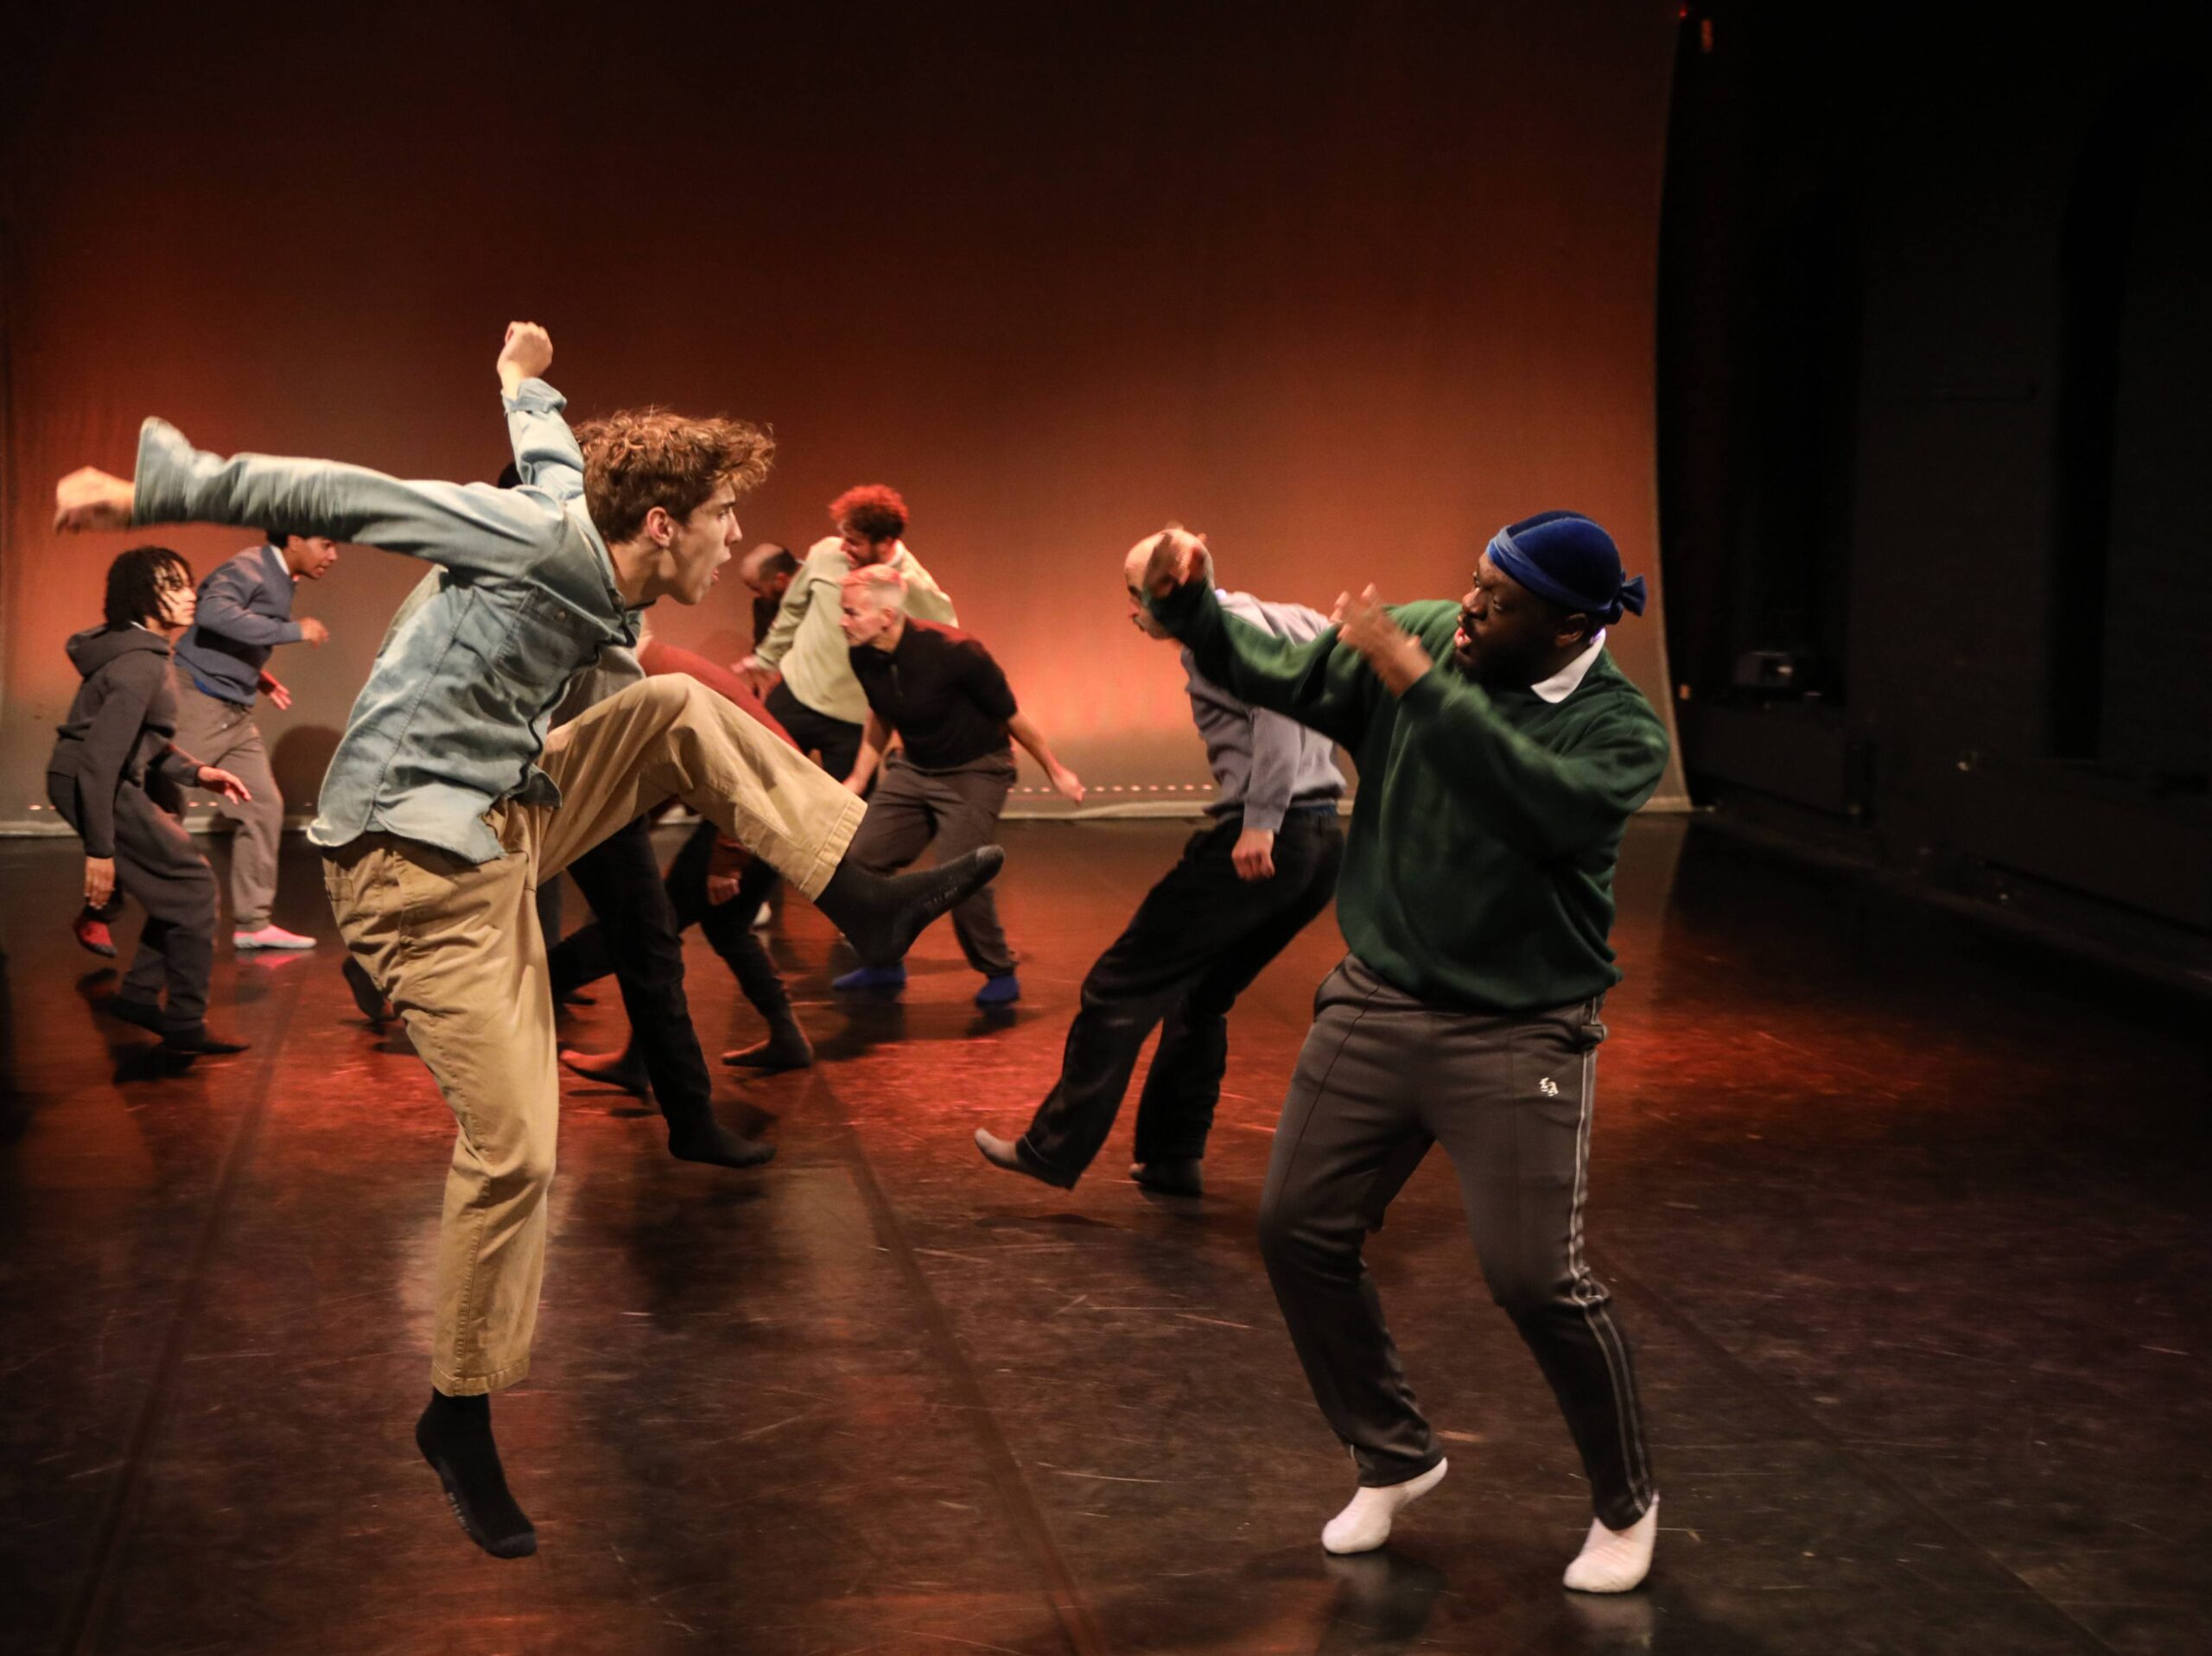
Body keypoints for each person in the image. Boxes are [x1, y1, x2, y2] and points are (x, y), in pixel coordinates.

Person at [51, 320, 1003, 1563]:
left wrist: (520, 378)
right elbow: (352, 495)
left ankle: (857, 888)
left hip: (505, 815)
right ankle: (458, 1413)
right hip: (412, 861)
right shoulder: (535, 534)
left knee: (670, 707)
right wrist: (150, 492)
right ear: (661, 523)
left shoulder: (577, 510)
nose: (732, 538)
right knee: (516, 1154)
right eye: (719, 514)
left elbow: (549, 442)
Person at [1129, 514, 1669, 1592]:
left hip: (1521, 1030)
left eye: (1498, 602)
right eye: (1473, 582)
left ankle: (1626, 1503)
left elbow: (1532, 801)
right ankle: (1393, 1452)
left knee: (1534, 1281)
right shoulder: (1427, 640)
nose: (1467, 608)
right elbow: (1278, 670)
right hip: (1377, 1005)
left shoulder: (1619, 732)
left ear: (1569, 628)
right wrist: (1189, 603)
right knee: (1296, 1233)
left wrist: (1417, 681)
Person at [973, 545, 1344, 1196]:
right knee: (1200, 996)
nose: (1132, 612)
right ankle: (1173, 1156)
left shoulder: (1224, 635)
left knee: (1118, 985)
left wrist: (1260, 819)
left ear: (1171, 587)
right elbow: (1334, 657)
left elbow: (1277, 716)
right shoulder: (1280, 615)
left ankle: (1052, 1147)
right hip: (1319, 844)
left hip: (1269, 836)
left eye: (1137, 595)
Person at [552, 637, 816, 1090]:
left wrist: (728, 859)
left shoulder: (655, 675)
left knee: (650, 927)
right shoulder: (654, 670)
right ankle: (785, 1036)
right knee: (724, 925)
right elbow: (667, 771)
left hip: (765, 813)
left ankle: (560, 991)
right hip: (772, 812)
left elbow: (761, 763)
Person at [833, 564, 1084, 1006]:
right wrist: (858, 776)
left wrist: (1055, 769)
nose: (842, 621)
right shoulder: (862, 653)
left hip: (976, 769)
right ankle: (883, 962)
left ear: (886, 617)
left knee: (959, 873)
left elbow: (1012, 717)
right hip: (915, 768)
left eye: (851, 612)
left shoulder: (957, 652)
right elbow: (881, 715)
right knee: (860, 861)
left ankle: (998, 970)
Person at [47, 546, 255, 1056]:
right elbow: (99, 760)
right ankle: (183, 1019)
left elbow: (140, 742)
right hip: (96, 782)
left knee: (178, 892)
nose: (191, 595)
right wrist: (101, 851)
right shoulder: (141, 664)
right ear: (143, 596)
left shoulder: (144, 653)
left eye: (189, 582)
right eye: (174, 585)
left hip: (94, 777)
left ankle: (141, 996)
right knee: (192, 886)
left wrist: (196, 771)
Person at [170, 530, 340, 949]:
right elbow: (211, 613)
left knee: (263, 805)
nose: (333, 556)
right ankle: (104, 898)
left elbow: (231, 632)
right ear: (296, 540)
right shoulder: (252, 566)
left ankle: (253, 922)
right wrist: (292, 631)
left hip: (235, 711)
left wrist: (256, 675)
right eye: (326, 545)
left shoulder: (279, 576)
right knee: (161, 803)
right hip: (199, 702)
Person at [742, 485, 956, 779]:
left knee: (847, 814)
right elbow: (793, 610)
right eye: (843, 537)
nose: (843, 547)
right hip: (795, 696)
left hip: (854, 723)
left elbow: (945, 644)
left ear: (885, 542)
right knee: (754, 785)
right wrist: (766, 658)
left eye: (854, 542)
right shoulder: (826, 554)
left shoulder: (913, 585)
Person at [737, 541, 798, 649]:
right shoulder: (764, 607)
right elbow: (761, 649)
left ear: (781, 579)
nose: (757, 594)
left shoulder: (818, 596)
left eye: (758, 589)